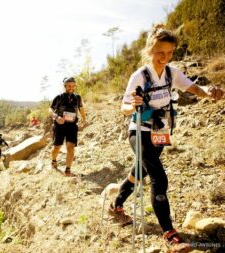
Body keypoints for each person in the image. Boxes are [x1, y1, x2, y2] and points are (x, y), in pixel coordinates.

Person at [108, 24, 224, 252]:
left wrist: (209, 92)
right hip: (139, 130)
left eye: (170, 52)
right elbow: (122, 107)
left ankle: (116, 205)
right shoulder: (140, 76)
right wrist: (132, 105)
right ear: (150, 50)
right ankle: (170, 235)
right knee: (159, 179)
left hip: (160, 130)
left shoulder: (171, 72)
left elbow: (194, 88)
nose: (165, 57)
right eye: (160, 52)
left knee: (139, 172)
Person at [49, 77, 86, 176]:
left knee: (70, 147)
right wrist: (56, 117)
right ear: (65, 86)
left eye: (73, 86)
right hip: (59, 125)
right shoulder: (59, 97)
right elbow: (50, 110)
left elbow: (81, 108)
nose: (71, 88)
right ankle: (53, 160)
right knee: (57, 147)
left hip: (72, 126)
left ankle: (68, 169)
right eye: (69, 86)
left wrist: (84, 119)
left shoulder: (77, 97)